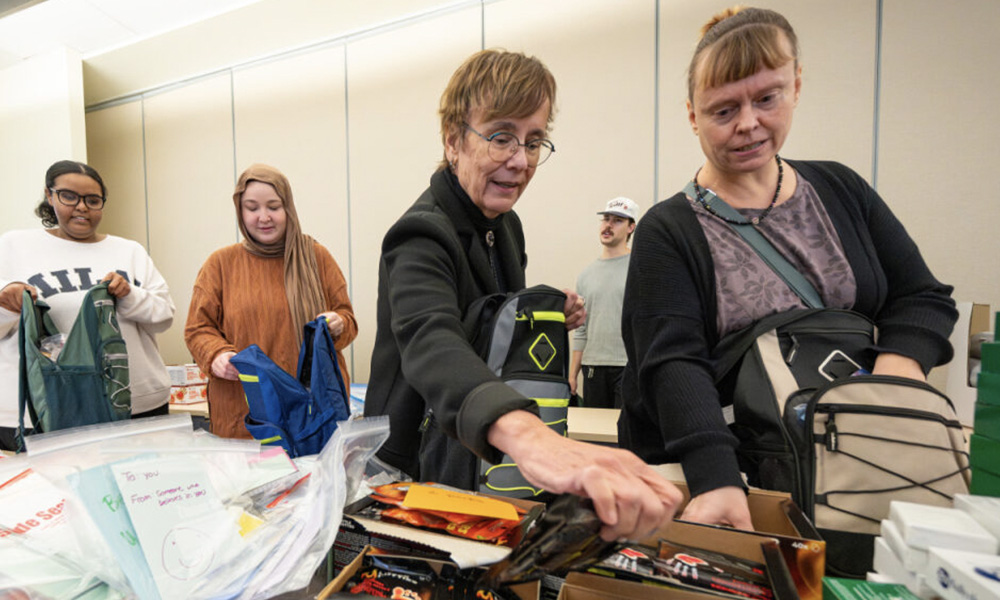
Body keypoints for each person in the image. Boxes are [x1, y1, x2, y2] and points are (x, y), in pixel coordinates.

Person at [619, 6, 957, 531]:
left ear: (795, 86)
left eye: (766, 99)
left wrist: (895, 378)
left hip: (860, 465)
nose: (748, 124)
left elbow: (921, 296)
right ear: (692, 116)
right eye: (723, 110)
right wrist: (716, 477)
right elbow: (673, 364)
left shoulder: (841, 190)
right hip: (746, 475)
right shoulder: (669, 230)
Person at [365, 49, 682, 542]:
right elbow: (432, 342)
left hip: (471, 451)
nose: (520, 161)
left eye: (533, 142)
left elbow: (490, 325)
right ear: (453, 141)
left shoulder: (506, 226)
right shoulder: (420, 234)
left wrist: (543, 312)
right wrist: (530, 437)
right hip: (413, 467)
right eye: (501, 137)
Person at [0, 160, 176, 451]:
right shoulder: (13, 246)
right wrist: (8, 304)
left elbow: (164, 316)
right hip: (44, 410)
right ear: (49, 196)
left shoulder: (129, 251)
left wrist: (129, 295)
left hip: (135, 404)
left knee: (135, 478)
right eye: (69, 196)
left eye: (93, 200)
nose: (82, 207)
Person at [185, 164, 358, 439]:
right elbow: (198, 329)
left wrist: (339, 323)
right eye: (252, 208)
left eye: (274, 207)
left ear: (288, 208)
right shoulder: (220, 264)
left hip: (312, 414)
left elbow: (347, 319)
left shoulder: (316, 258)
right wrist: (216, 354)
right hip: (243, 414)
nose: (264, 217)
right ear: (240, 212)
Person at [570, 197, 639, 409]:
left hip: (628, 367)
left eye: (617, 220)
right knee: (594, 427)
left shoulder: (639, 269)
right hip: (593, 368)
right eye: (606, 219)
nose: (608, 225)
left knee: (623, 427)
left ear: (631, 227)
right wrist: (572, 375)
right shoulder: (586, 275)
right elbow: (581, 330)